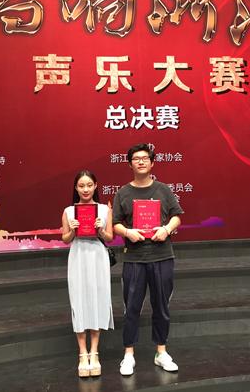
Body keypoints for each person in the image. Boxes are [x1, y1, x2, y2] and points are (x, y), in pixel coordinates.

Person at [112, 143, 184, 376]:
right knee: (131, 307)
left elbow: (177, 216)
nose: (141, 162)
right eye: (136, 159)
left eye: (145, 158)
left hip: (162, 255)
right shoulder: (123, 193)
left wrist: (166, 229)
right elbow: (115, 223)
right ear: (130, 164)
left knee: (161, 306)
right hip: (134, 258)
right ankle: (128, 354)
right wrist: (127, 232)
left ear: (152, 163)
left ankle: (161, 352)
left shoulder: (163, 190)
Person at [61, 170, 114, 378]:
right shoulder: (68, 211)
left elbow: (109, 237)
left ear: (96, 186)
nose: (85, 189)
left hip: (97, 257)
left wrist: (101, 230)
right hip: (78, 256)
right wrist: (72, 230)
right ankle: (82, 353)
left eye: (89, 185)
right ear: (76, 188)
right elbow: (65, 239)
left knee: (97, 299)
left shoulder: (104, 210)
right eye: (81, 186)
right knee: (79, 300)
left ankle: (95, 352)